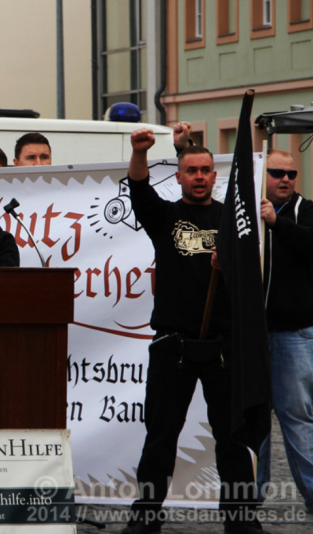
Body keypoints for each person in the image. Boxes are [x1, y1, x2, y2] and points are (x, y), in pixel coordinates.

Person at [120, 129, 265, 534]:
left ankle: (240, 519)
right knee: (161, 438)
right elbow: (137, 187)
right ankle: (146, 516)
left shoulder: (232, 221)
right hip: (174, 347)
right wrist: (139, 151)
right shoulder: (165, 217)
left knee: (233, 441)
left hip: (223, 348)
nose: (199, 176)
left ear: (213, 176)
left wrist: (228, 267)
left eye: (205, 170)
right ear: (180, 176)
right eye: (191, 171)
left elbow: (251, 282)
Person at [256, 148, 313, 512]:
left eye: (291, 174)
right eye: (277, 173)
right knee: (253, 424)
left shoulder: (305, 210)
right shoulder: (249, 211)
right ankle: (247, 502)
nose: (286, 180)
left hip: (294, 334)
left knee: (298, 421)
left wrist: (278, 224)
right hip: (252, 335)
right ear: (263, 174)